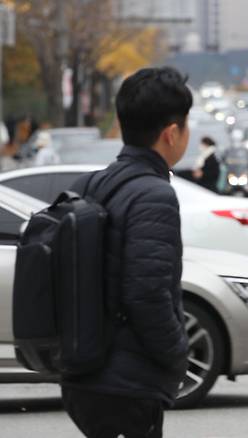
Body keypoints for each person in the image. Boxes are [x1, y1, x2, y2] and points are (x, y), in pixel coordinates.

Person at [62, 67, 192, 438]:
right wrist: (177, 355)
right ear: (171, 134)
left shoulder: (91, 184)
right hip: (126, 387)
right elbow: (147, 293)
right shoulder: (154, 195)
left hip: (83, 374)